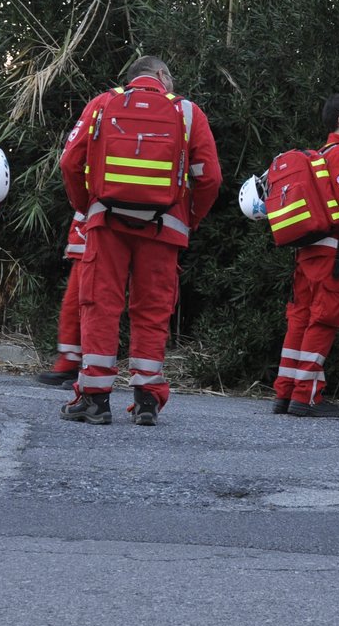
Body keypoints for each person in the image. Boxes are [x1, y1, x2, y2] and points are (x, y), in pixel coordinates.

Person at [58, 55, 221, 426]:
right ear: (161, 76)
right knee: (153, 309)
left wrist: (87, 207)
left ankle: (95, 400)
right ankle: (147, 398)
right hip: (165, 226)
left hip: (107, 222)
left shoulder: (101, 104)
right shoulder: (188, 112)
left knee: (100, 304)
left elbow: (69, 162)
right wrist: (187, 218)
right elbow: (209, 177)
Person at [270, 94, 339, 418]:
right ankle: (306, 397)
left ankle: (285, 392)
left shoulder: (320, 154)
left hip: (307, 250)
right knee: (324, 319)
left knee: (300, 318)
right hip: (331, 253)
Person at [35, 211, 87, 389]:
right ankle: (69, 363)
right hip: (87, 240)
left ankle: (92, 370)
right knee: (72, 308)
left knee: (94, 311)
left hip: (101, 238)